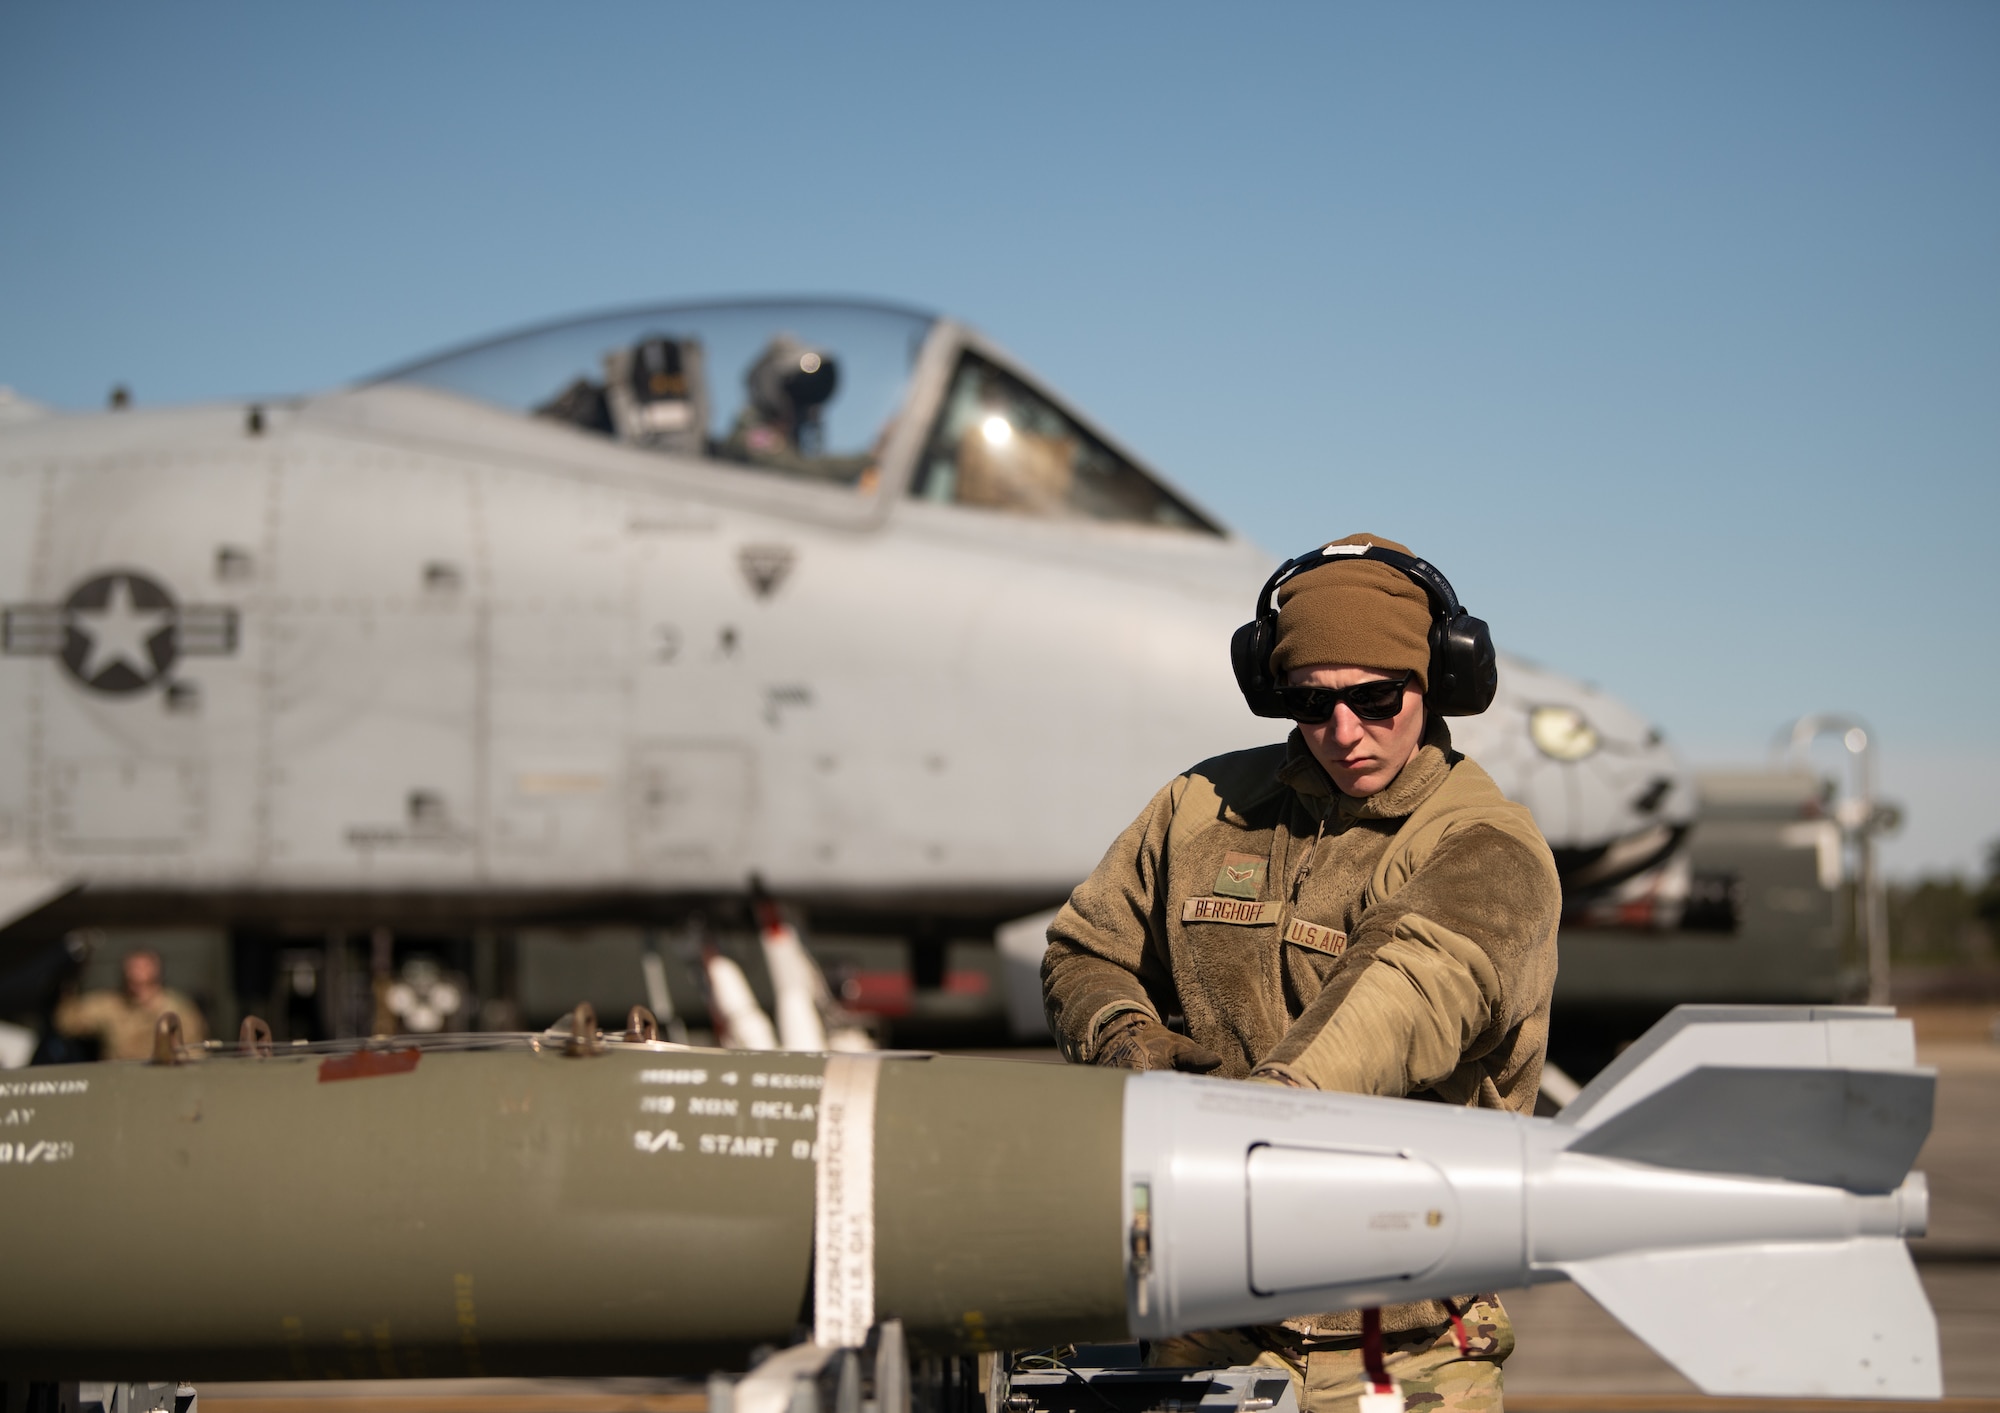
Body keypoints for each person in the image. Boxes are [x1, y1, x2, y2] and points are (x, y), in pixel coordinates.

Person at [1042, 533, 1562, 1413]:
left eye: (1374, 697)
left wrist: (1256, 1116)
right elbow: (1086, 949)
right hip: (1205, 1314)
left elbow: (1411, 985)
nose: (1343, 731)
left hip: (1404, 1342)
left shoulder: (1486, 847)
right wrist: (1132, 1047)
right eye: (1312, 704)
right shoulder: (1201, 809)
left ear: (1436, 681)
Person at [53, 945, 209, 1061]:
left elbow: (195, 1053)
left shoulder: (179, 1008)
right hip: (118, 1081)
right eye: (132, 981)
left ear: (158, 977)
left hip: (164, 1081)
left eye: (146, 982)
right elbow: (68, 1023)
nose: (138, 989)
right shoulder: (110, 1005)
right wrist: (69, 983)